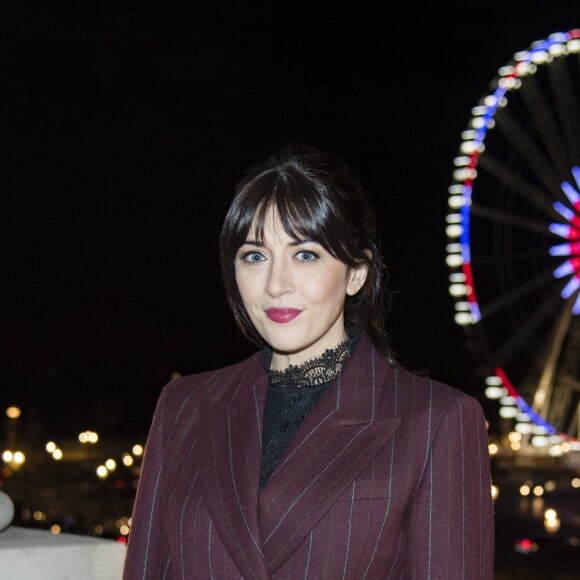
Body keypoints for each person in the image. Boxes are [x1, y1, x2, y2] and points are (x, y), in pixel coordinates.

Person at [122, 143, 494, 579]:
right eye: (255, 256)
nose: (276, 284)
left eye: (305, 255)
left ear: (356, 272)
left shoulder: (438, 420)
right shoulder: (183, 405)